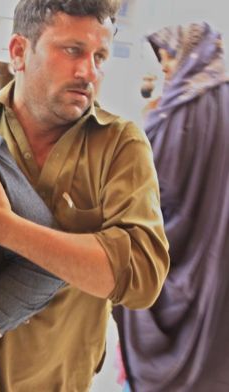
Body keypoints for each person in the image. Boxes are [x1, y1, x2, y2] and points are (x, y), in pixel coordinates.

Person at [0, 0, 170, 390]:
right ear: (19, 51)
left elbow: (141, 277)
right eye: (72, 50)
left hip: (57, 379)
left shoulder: (120, 146)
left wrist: (5, 229)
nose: (89, 72)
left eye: (100, 56)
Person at [114, 22, 229, 391]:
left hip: (180, 258)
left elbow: (154, 192)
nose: (164, 65)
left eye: (168, 54)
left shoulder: (181, 109)